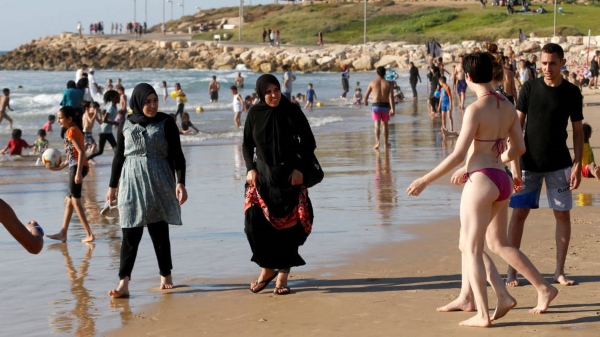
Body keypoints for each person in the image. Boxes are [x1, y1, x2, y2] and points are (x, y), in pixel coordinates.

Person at [407, 51, 557, 327]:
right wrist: (494, 161)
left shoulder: (475, 109)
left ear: (467, 77)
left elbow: (457, 154)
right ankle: (491, 297)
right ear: (493, 73)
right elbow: (519, 148)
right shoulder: (508, 105)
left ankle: (484, 314)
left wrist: (425, 180)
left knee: (471, 249)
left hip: (482, 182)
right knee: (481, 244)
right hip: (501, 180)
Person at [507, 43, 584, 287]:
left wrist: (578, 162)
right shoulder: (529, 88)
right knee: (519, 215)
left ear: (562, 62)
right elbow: (516, 129)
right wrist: (515, 165)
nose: (547, 68)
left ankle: (559, 271)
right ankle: (512, 271)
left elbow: (578, 130)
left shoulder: (572, 92)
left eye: (552, 63)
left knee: (562, 215)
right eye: (543, 63)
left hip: (559, 164)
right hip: (528, 165)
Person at [106, 83, 187, 298]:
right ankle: (123, 282)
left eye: (155, 100)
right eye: (147, 101)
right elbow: (118, 157)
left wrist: (181, 182)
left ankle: (166, 275)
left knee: (159, 231)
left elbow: (178, 155)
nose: (152, 105)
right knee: (130, 233)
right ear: (138, 103)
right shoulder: (125, 124)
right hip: (131, 183)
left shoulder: (166, 122)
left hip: (159, 181)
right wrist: (112, 186)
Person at [243, 74, 316, 295]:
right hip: (262, 178)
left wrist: (300, 169)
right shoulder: (255, 114)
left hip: (289, 177)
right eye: (268, 92)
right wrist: (250, 168)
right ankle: (267, 270)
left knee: (289, 229)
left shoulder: (292, 110)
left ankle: (282, 277)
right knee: (254, 226)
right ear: (260, 93)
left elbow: (309, 142)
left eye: (276, 90)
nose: (274, 95)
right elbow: (247, 144)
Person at [46, 106, 95, 243]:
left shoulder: (71, 131)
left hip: (78, 168)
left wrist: (78, 173)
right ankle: (63, 233)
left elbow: (81, 152)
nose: (58, 121)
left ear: (69, 119)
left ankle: (89, 234)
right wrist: (61, 167)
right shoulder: (75, 130)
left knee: (75, 201)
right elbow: (73, 155)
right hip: (77, 167)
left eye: (60, 118)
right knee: (68, 201)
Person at [364, 66, 395, 151]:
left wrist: (365, 101)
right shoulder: (389, 83)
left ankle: (377, 142)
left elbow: (366, 95)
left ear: (377, 73)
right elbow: (391, 96)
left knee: (376, 125)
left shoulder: (372, 82)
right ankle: (385, 143)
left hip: (376, 106)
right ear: (385, 73)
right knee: (385, 125)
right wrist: (392, 108)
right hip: (385, 106)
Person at [87, 90, 119, 162]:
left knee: (115, 148)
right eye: (117, 97)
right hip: (104, 131)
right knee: (101, 151)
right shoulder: (111, 108)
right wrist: (114, 123)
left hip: (107, 131)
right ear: (112, 98)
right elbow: (104, 120)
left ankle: (117, 162)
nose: (119, 98)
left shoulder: (114, 107)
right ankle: (85, 160)